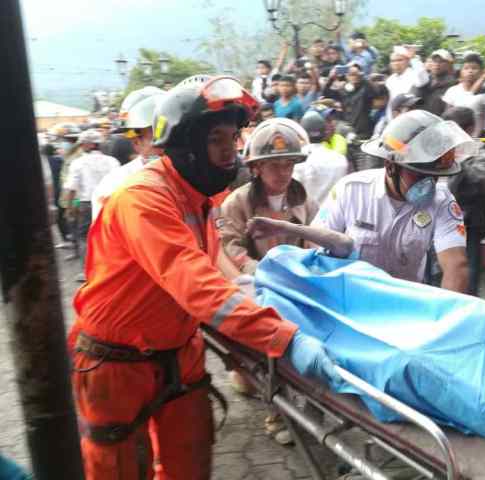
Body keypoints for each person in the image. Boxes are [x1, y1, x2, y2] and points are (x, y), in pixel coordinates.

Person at [68, 76, 339, 479]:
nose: (230, 151)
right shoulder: (143, 198)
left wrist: (260, 293)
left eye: (233, 138)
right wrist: (284, 338)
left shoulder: (199, 198)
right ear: (185, 145)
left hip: (180, 353)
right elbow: (196, 284)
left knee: (190, 465)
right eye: (216, 139)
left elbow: (217, 271)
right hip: (116, 365)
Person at [312, 110, 471, 291]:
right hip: (351, 299)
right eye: (419, 176)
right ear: (390, 167)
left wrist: (445, 317)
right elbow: (318, 244)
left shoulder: (442, 202)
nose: (428, 184)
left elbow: (456, 267)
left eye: (434, 177)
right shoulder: (350, 191)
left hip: (405, 306)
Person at [219, 120, 318, 275]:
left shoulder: (305, 203)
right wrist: (264, 275)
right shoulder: (236, 204)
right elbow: (232, 249)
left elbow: (316, 245)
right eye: (274, 165)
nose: (283, 172)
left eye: (288, 164)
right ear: (257, 167)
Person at [91, 86, 166, 220]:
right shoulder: (115, 185)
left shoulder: (201, 178)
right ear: (136, 142)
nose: (170, 142)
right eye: (159, 135)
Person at [443, 107, 485, 296]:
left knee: (467, 277)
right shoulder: (439, 148)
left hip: (469, 222)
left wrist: (461, 163)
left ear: (470, 129)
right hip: (441, 220)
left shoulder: (477, 150)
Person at [61, 129, 120, 280]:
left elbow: (73, 189)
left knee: (84, 237)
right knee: (110, 236)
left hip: (86, 204)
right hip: (110, 202)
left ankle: (88, 272)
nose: (80, 147)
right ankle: (111, 269)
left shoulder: (78, 163)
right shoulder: (113, 162)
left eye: (82, 144)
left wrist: (70, 207)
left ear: (89, 145)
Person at [296, 110, 349, 204]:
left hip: (309, 215)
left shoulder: (298, 161)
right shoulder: (340, 159)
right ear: (324, 132)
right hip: (335, 214)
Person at [322, 63, 382, 139]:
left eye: (355, 74)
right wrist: (330, 78)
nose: (353, 77)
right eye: (351, 74)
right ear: (346, 76)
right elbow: (326, 94)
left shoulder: (365, 88)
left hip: (364, 132)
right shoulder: (342, 90)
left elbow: (375, 93)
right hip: (347, 132)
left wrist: (362, 77)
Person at [442, 53, 485, 137]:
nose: (470, 71)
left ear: (481, 72)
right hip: (456, 137)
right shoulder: (452, 91)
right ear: (461, 72)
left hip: (478, 138)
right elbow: (447, 116)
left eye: (474, 68)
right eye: (466, 68)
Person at [411, 49, 458, 116]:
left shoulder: (453, 84)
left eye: (441, 61)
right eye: (434, 61)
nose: (437, 64)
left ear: (449, 64)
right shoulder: (422, 80)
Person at [385, 46, 425, 117]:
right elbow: (389, 103)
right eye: (393, 61)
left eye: (399, 60)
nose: (396, 63)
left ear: (408, 61)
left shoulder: (414, 75)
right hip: (393, 117)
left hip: (410, 116)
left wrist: (414, 58)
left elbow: (423, 80)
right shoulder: (390, 80)